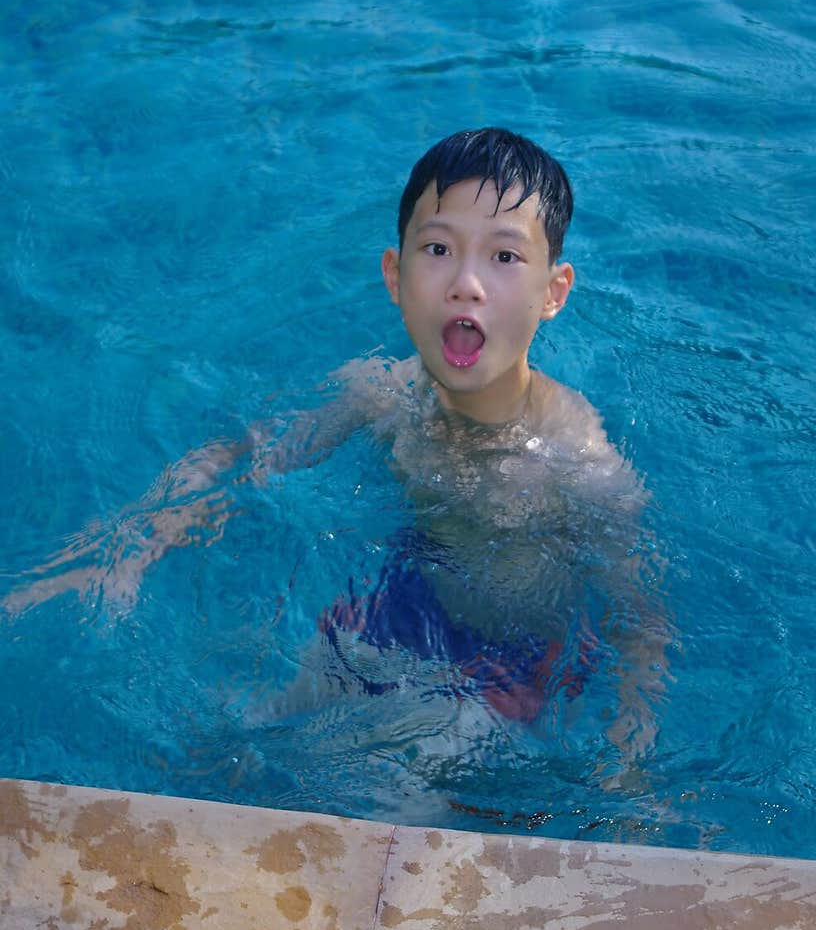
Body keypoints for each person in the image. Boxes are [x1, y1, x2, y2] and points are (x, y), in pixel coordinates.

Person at [5, 128, 669, 778]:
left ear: (553, 292)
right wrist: (140, 542)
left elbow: (642, 618)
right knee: (252, 737)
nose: (466, 283)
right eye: (438, 248)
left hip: (517, 656)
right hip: (408, 599)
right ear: (394, 274)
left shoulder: (576, 458)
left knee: (398, 793)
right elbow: (252, 458)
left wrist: (629, 753)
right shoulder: (379, 394)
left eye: (503, 257)